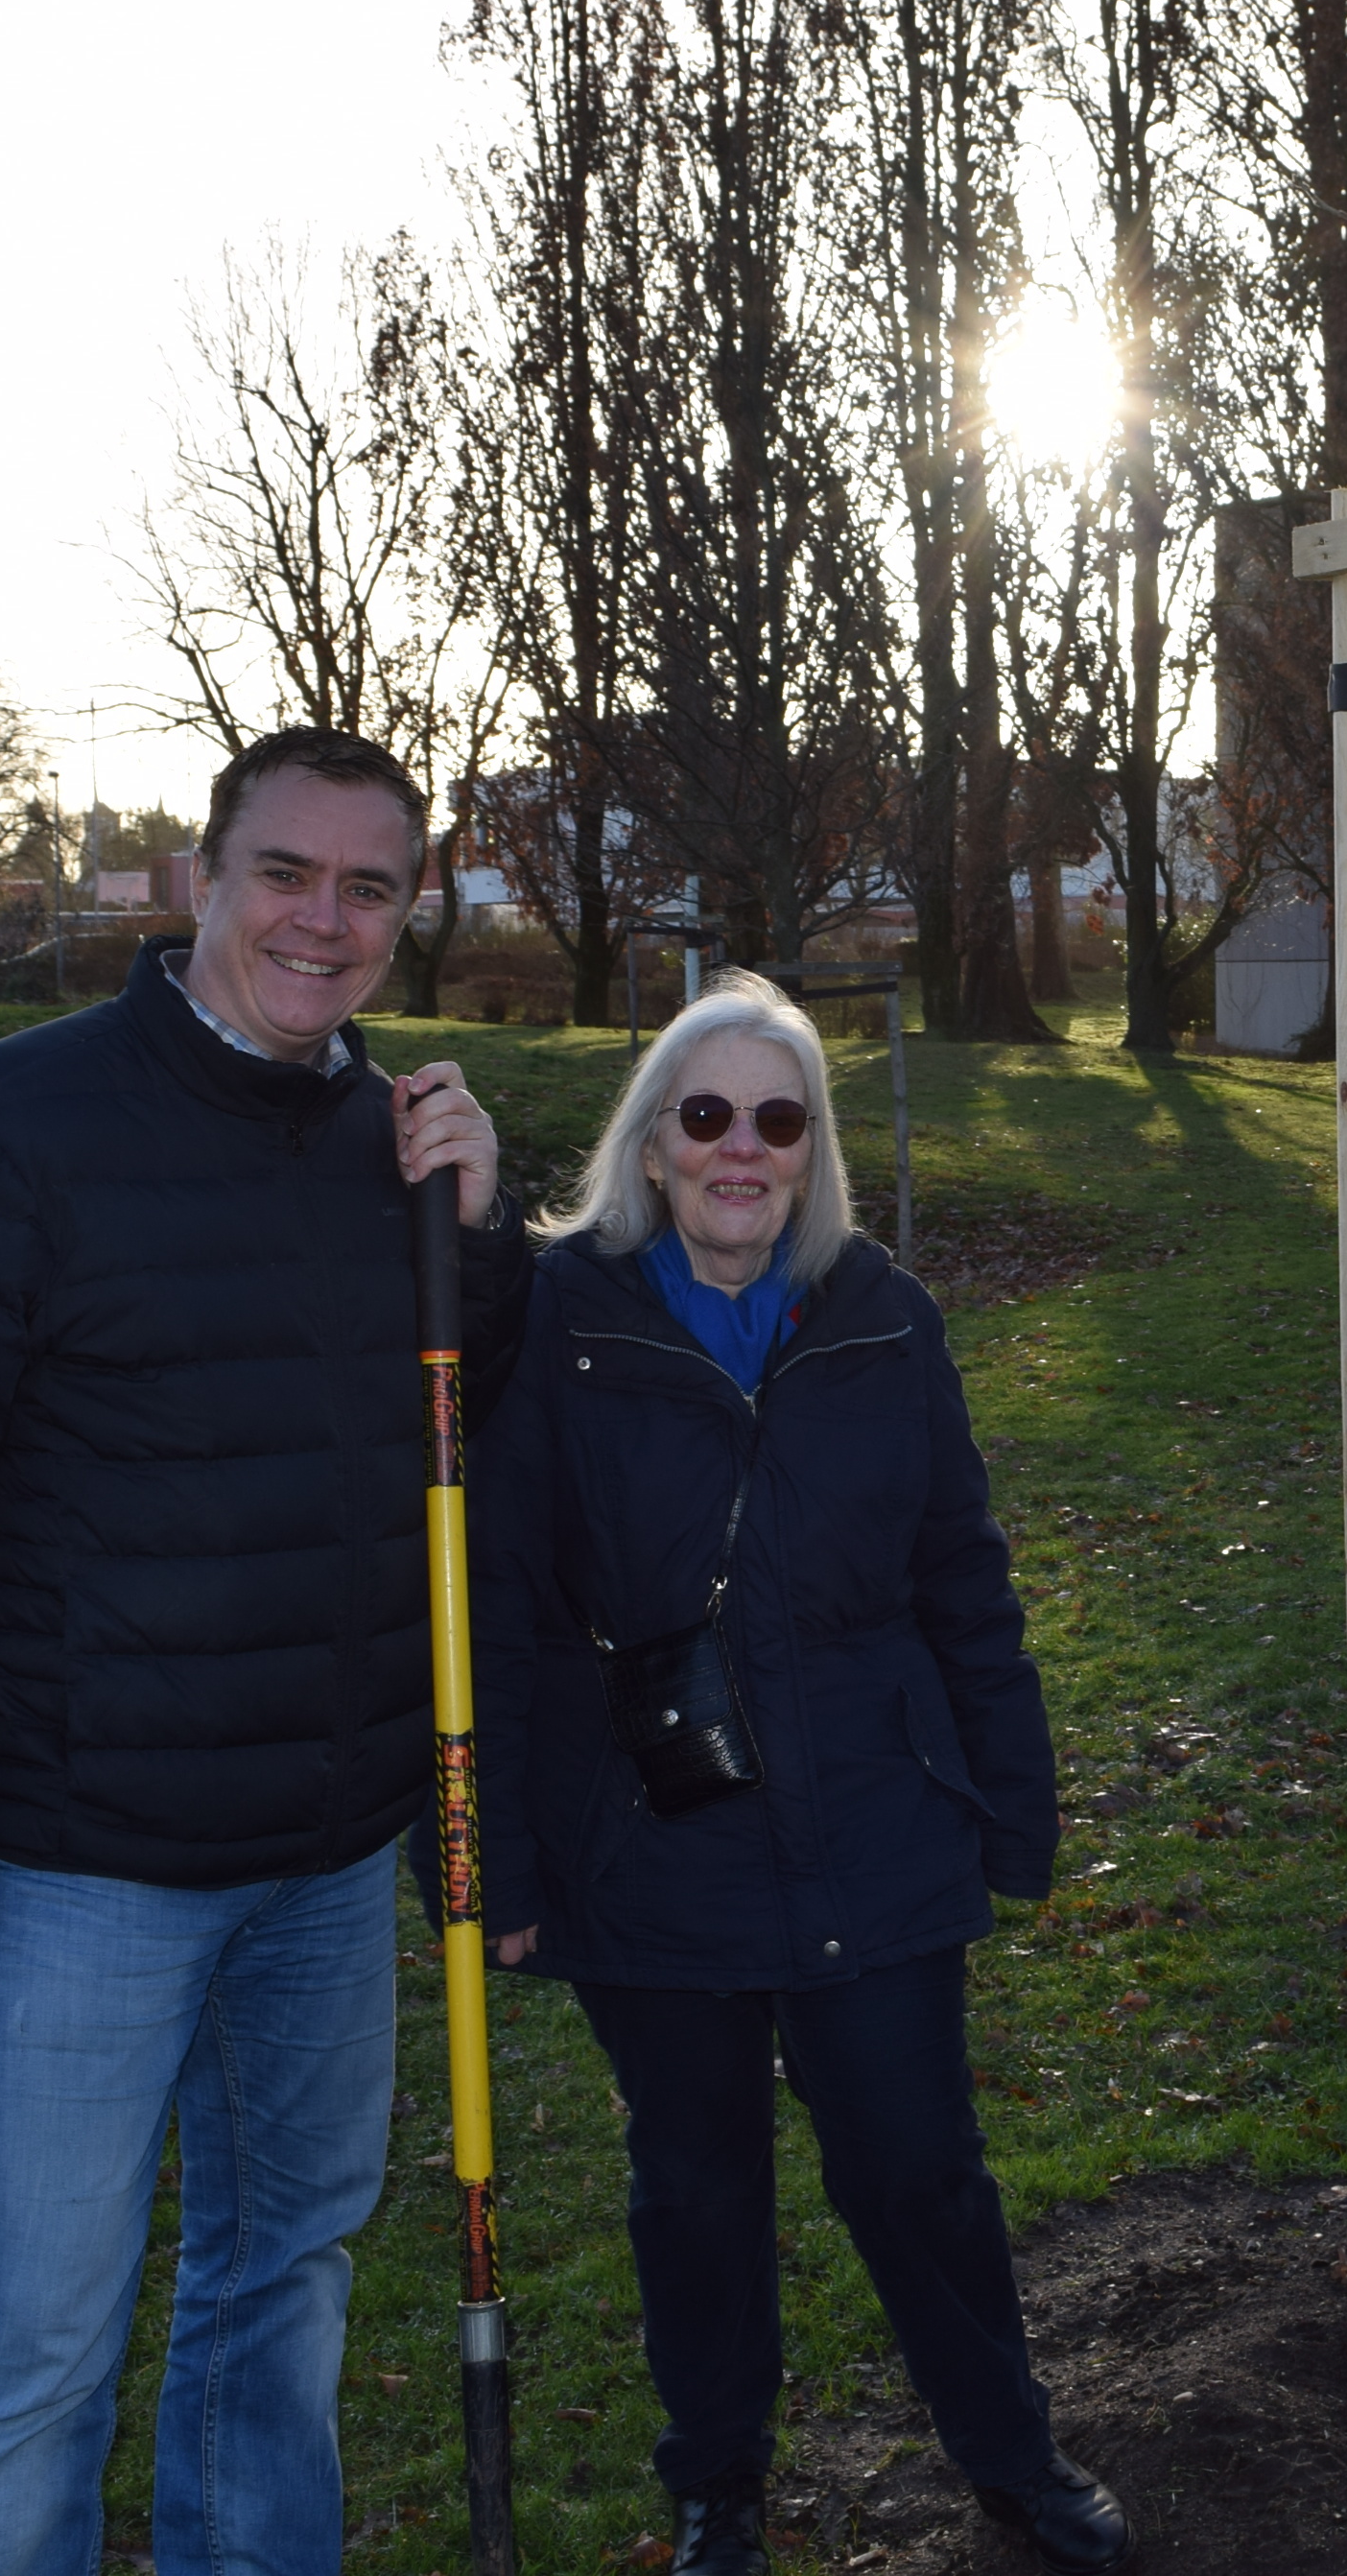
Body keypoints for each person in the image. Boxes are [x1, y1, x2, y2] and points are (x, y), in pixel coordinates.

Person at [0, 725, 530, 2575]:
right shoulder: (7, 1131)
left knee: (282, 2291)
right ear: (203, 877)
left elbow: (448, 1448)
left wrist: (482, 1241)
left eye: (368, 889)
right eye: (286, 873)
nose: (322, 922)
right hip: (77, 1865)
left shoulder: (392, 1144)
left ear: (407, 914)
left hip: (324, 1859)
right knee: (38, 2348)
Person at [464, 972, 1122, 2576]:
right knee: (694, 2190)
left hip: (874, 1822)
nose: (742, 1149)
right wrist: (492, 1863)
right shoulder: (557, 1323)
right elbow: (494, 1606)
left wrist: (1013, 1801)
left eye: (780, 1118)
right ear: (654, 1143)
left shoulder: (885, 1314)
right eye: (707, 1116)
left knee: (920, 2172)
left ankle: (1011, 2454)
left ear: (815, 1147)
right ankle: (718, 2488)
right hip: (651, 1835)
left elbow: (963, 1575)